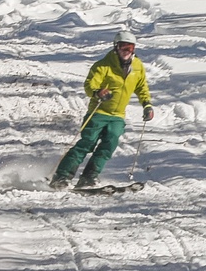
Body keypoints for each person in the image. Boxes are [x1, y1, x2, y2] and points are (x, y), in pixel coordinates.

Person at [50, 29, 155, 190]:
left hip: (117, 115)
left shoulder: (138, 67)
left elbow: (142, 88)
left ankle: (89, 177)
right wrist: (98, 92)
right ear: (116, 47)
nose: (127, 52)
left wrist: (147, 105)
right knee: (87, 143)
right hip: (98, 113)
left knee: (109, 145)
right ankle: (62, 176)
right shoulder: (103, 66)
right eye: (123, 47)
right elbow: (89, 85)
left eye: (130, 48)